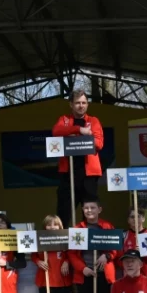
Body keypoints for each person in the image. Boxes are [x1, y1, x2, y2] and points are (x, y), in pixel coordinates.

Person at [53, 90, 105, 227]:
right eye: (77, 103)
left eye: (84, 103)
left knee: (90, 212)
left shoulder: (93, 121)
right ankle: (63, 247)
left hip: (89, 175)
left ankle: (90, 246)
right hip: (67, 173)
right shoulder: (64, 119)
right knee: (63, 212)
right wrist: (79, 130)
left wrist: (75, 138)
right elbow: (56, 131)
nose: (81, 106)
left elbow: (99, 143)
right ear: (71, 104)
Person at [117, 206, 147, 279]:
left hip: (146, 278)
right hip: (128, 278)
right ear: (128, 220)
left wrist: (144, 252)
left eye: (138, 216)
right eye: (132, 217)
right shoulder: (123, 236)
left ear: (143, 219)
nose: (135, 219)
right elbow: (119, 260)